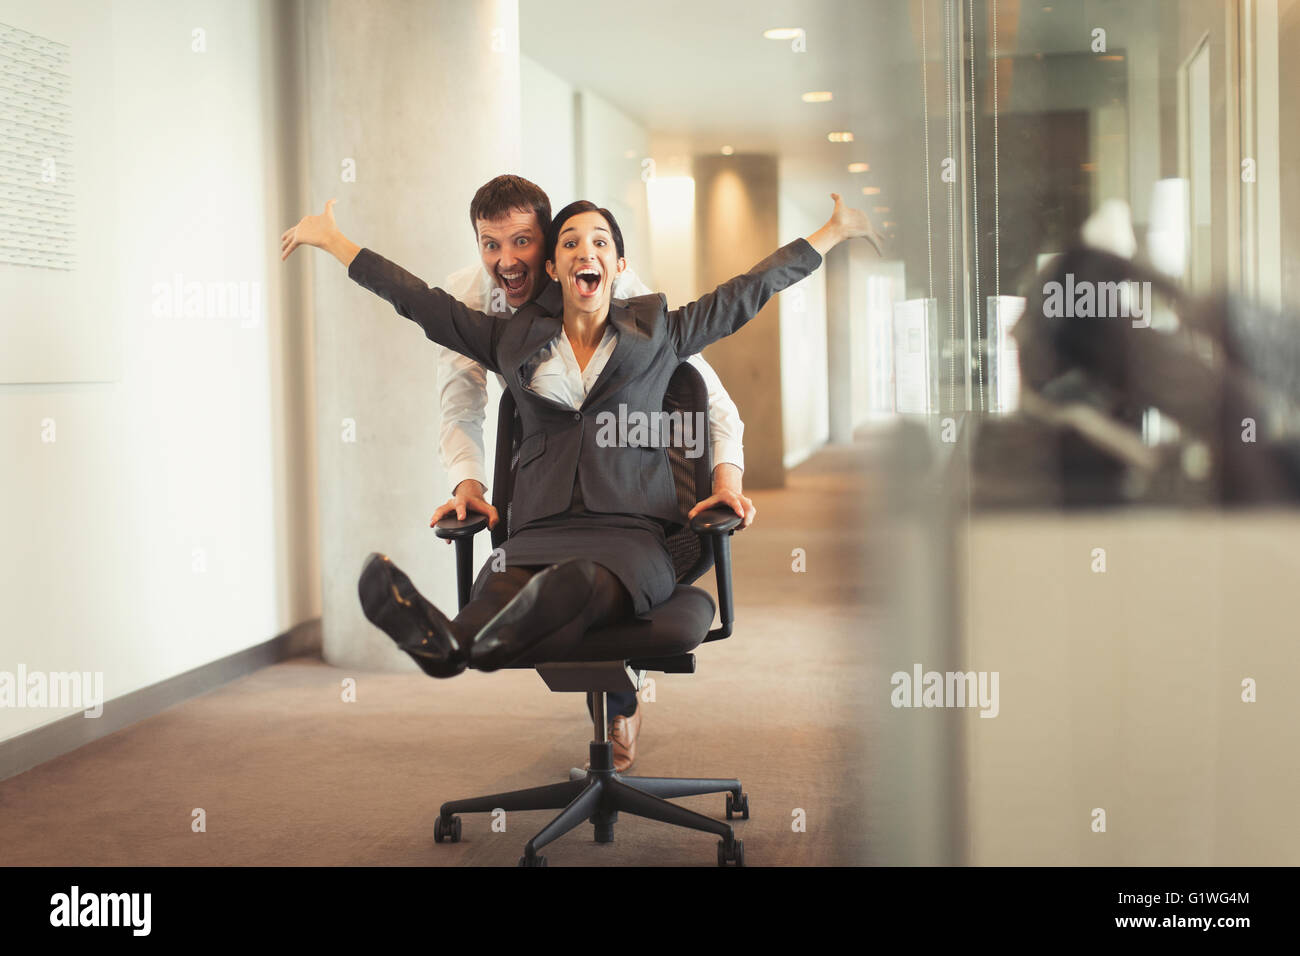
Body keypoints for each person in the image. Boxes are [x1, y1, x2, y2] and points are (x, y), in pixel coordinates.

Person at [279, 193, 880, 752]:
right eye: (568, 242)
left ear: (619, 265)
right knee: (506, 581)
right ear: (554, 269)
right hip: (540, 528)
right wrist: (335, 241)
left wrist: (832, 231)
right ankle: (449, 644)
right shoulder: (512, 338)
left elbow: (751, 290)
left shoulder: (661, 330)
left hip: (633, 533)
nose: (582, 251)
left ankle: (490, 642)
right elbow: (421, 304)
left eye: (598, 242)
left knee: (581, 583)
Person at [431, 175, 753, 767]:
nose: (507, 261)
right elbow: (461, 402)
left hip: (633, 489)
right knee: (534, 576)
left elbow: (709, 396)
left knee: (585, 578)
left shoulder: (605, 274)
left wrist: (726, 479)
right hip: (546, 487)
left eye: (522, 242)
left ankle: (618, 701)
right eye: (490, 244)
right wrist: (469, 485)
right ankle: (609, 691)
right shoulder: (472, 296)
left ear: (548, 246)